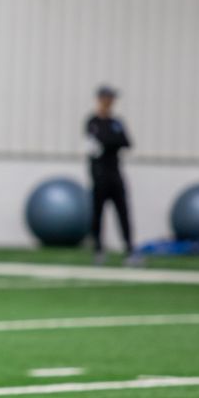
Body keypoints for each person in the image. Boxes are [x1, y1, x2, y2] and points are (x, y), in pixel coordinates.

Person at [84, 85, 142, 267]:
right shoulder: (93, 121)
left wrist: (109, 141)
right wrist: (112, 141)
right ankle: (99, 250)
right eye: (108, 98)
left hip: (115, 174)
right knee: (98, 214)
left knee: (123, 213)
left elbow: (125, 142)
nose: (110, 102)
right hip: (99, 175)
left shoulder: (116, 122)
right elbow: (97, 144)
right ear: (101, 99)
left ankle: (129, 250)